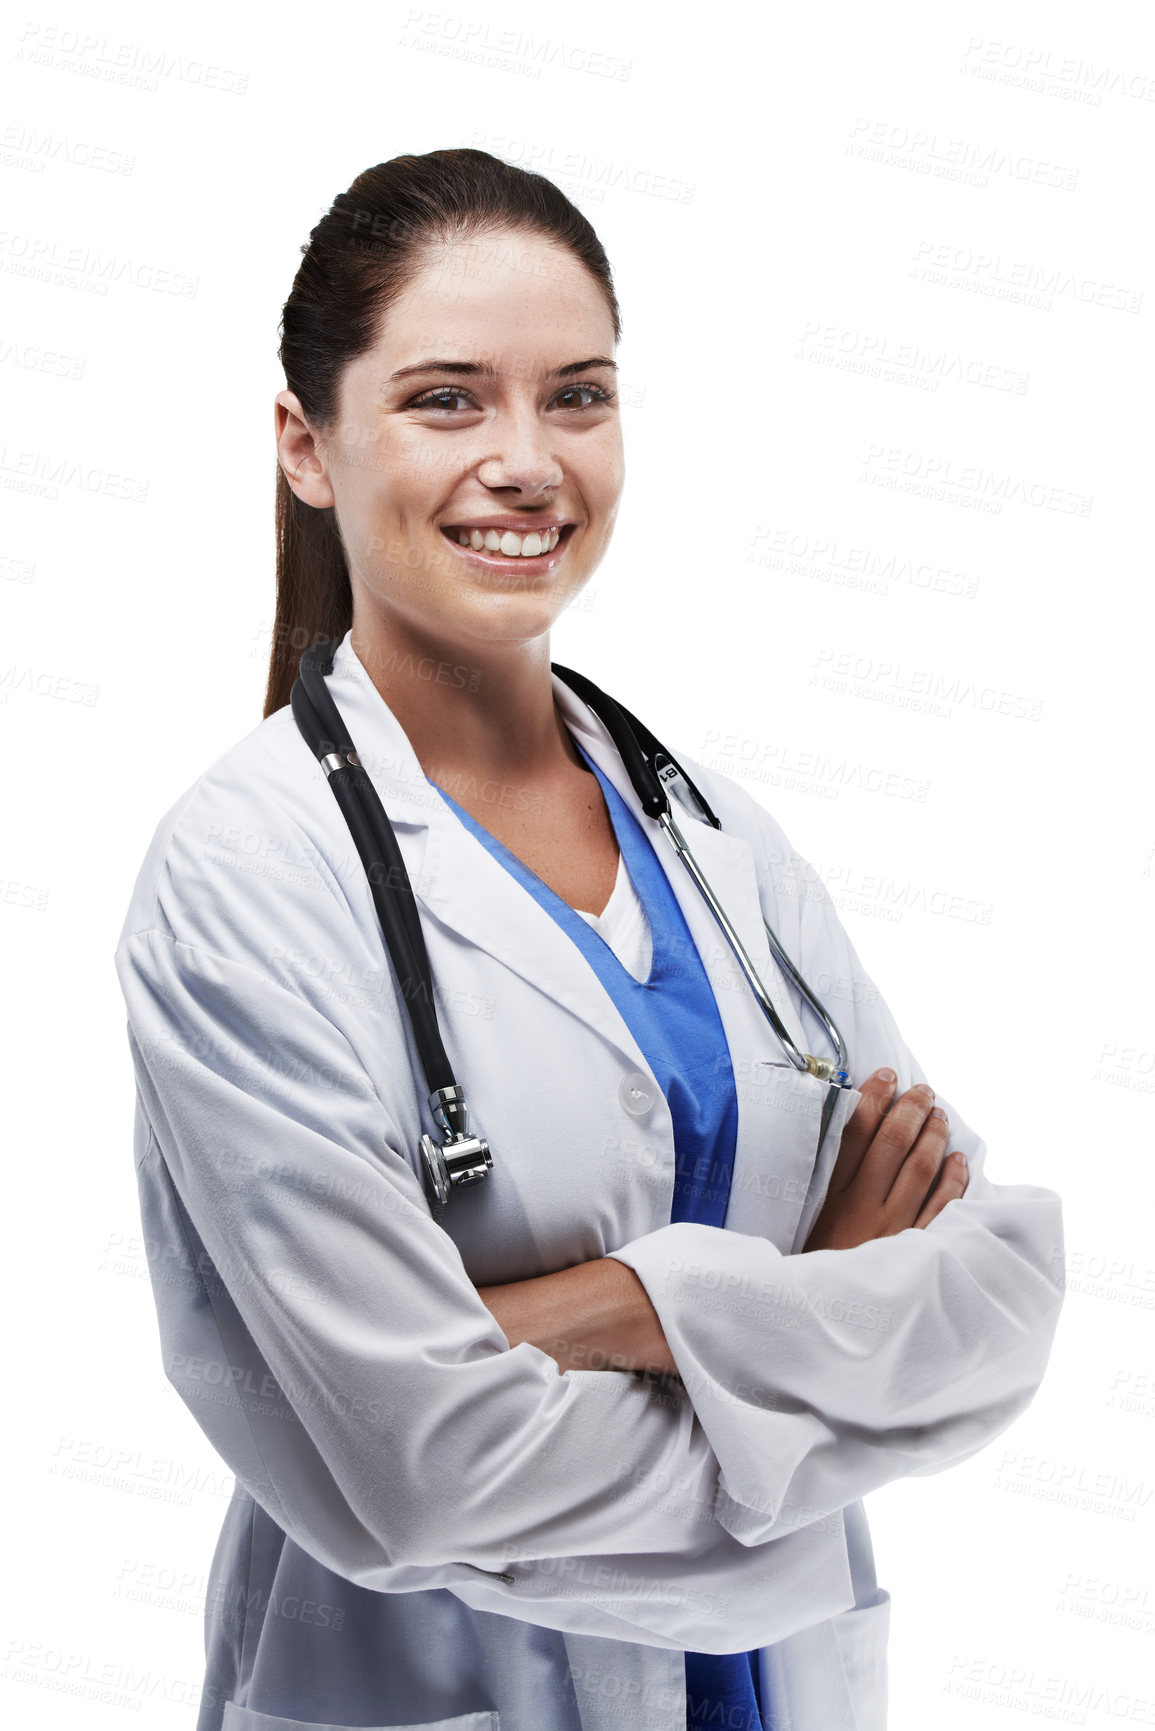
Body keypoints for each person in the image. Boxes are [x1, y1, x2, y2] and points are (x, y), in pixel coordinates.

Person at [114, 148, 1065, 1731]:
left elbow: (994, 1309)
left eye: (576, 396)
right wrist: (815, 1306)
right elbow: (419, 1470)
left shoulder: (712, 837)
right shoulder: (246, 878)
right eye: (445, 400)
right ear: (306, 444)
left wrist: (616, 1309)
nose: (527, 460)